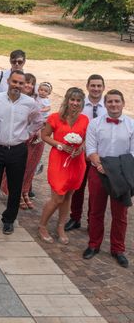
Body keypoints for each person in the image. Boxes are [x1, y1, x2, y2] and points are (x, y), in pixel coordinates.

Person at [0, 70, 43, 236]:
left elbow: (38, 121)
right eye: (15, 82)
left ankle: (9, 220)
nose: (17, 85)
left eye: (21, 83)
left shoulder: (30, 103)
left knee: (15, 186)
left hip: (18, 149)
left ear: (24, 84)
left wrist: (27, 133)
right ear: (8, 81)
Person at [83, 89, 133, 268]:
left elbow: (133, 153)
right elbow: (90, 149)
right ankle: (93, 244)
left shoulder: (131, 125)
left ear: (123, 103)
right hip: (99, 171)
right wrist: (99, 165)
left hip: (121, 174)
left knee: (120, 214)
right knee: (96, 210)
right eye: (110, 101)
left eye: (117, 101)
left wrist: (114, 169)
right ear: (106, 104)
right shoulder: (95, 124)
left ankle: (118, 249)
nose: (113, 104)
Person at [37, 87, 89, 245]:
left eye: (78, 100)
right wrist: (60, 145)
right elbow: (44, 136)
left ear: (82, 103)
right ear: (67, 100)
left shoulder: (85, 119)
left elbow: (87, 138)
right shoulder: (55, 117)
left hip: (76, 162)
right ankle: (42, 226)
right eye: (72, 99)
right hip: (59, 160)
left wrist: (81, 147)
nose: (75, 103)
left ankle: (60, 227)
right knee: (57, 197)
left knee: (68, 196)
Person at [66, 74, 107, 232]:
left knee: (96, 192)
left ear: (103, 87)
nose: (96, 89)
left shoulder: (108, 105)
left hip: (100, 154)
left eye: (99, 86)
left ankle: (92, 221)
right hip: (81, 152)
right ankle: (75, 218)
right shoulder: (81, 105)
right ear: (87, 86)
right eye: (93, 85)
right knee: (77, 188)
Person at [1, 73, 45, 210]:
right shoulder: (15, 99)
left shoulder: (37, 100)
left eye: (32, 83)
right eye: (27, 82)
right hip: (21, 138)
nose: (29, 86)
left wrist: (38, 130)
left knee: (31, 167)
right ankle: (16, 192)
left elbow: (41, 119)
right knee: (20, 167)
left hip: (35, 138)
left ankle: (25, 191)